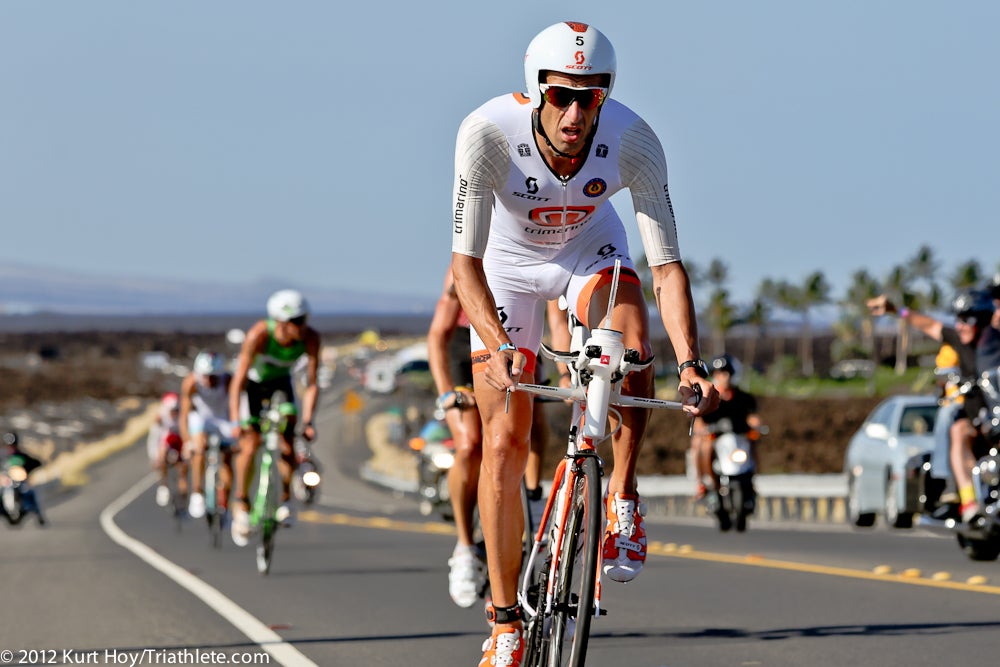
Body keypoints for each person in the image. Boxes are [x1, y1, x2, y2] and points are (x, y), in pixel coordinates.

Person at [448, 21, 718, 663]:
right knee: (506, 440)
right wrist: (496, 342)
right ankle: (506, 622)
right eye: (563, 95)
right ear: (537, 91)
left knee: (630, 341)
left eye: (591, 96)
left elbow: (666, 267)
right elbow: (464, 267)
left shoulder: (633, 139)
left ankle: (621, 496)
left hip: (587, 251)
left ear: (607, 95)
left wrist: (691, 363)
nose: (576, 113)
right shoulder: (487, 133)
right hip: (505, 265)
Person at [427, 267, 564, 608]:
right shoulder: (467, 261)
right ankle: (464, 547)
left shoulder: (529, 247)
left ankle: (533, 499)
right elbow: (437, 335)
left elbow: (557, 317)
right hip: (466, 349)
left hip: (519, 339)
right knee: (471, 444)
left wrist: (564, 373)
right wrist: (447, 392)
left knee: (533, 418)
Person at [868, 289, 1000, 522]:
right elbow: (929, 325)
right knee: (957, 429)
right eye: (958, 319)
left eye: (965, 319)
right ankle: (966, 498)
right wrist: (897, 310)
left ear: (981, 320)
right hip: (977, 419)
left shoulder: (995, 342)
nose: (959, 325)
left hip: (996, 412)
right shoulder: (959, 341)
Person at [228, 289, 322, 547]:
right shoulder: (259, 335)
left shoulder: (311, 338)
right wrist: (237, 421)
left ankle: (285, 499)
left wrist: (309, 420)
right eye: (297, 321)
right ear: (281, 321)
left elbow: (312, 384)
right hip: (254, 386)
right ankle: (241, 501)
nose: (303, 327)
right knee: (251, 443)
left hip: (282, 383)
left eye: (305, 319)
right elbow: (238, 381)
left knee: (288, 438)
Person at [690, 354, 762, 506]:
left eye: (726, 372)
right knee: (701, 446)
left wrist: (756, 426)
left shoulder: (744, 397)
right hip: (715, 437)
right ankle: (703, 482)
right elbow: (699, 420)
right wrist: (703, 430)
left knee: (753, 444)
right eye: (719, 373)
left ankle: (752, 481)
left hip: (737, 437)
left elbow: (752, 417)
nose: (724, 377)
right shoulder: (708, 396)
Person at [179, 350, 238, 520]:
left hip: (223, 418)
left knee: (227, 458)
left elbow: (238, 405)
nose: (209, 380)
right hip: (201, 418)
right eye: (205, 376)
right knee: (199, 448)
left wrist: (237, 429)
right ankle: (197, 492)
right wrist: (187, 441)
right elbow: (184, 414)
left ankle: (224, 503)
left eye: (213, 376)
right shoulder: (191, 383)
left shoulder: (228, 380)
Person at [1, 430, 46, 524]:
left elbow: (36, 463)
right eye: (9, 445)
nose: (11, 447)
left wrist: (28, 470)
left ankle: (38, 514)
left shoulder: (22, 456)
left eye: (13, 445)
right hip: (8, 482)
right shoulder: (4, 457)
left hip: (20, 481)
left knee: (30, 492)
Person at [153, 391, 189, 509]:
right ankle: (163, 485)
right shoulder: (161, 419)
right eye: (171, 410)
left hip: (180, 440)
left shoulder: (183, 416)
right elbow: (156, 439)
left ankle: (183, 499)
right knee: (162, 455)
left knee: (183, 469)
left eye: (176, 410)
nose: (174, 413)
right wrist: (156, 459)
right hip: (168, 441)